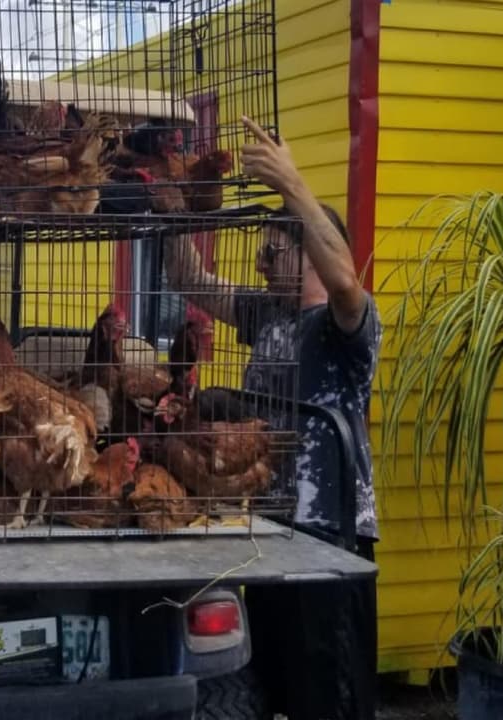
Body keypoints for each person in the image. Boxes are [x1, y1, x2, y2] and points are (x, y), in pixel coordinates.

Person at [161, 116, 381, 720]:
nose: (259, 259)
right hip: (267, 534)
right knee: (267, 691)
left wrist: (293, 185)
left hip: (327, 541)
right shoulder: (267, 315)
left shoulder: (345, 329)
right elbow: (188, 279)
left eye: (272, 248)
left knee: (327, 700)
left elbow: (344, 280)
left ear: (308, 249)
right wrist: (177, 211)